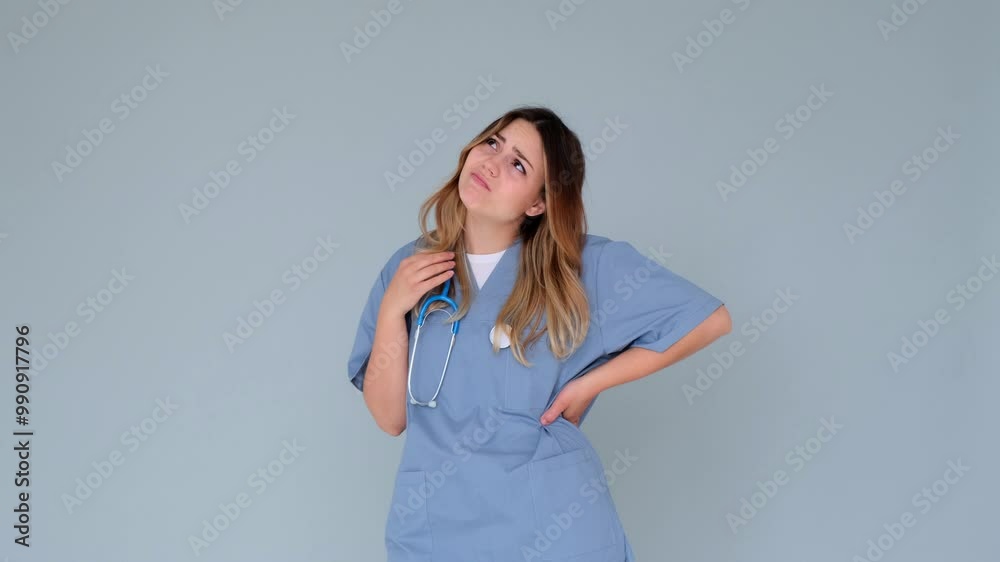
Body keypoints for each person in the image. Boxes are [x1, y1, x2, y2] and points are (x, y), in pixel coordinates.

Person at [348, 106, 731, 561]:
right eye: (493, 142)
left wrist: (592, 381)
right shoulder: (411, 268)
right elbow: (391, 419)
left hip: (550, 527)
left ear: (538, 203)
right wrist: (393, 310)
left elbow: (709, 319)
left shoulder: (581, 268)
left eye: (518, 164)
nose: (492, 161)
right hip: (434, 528)